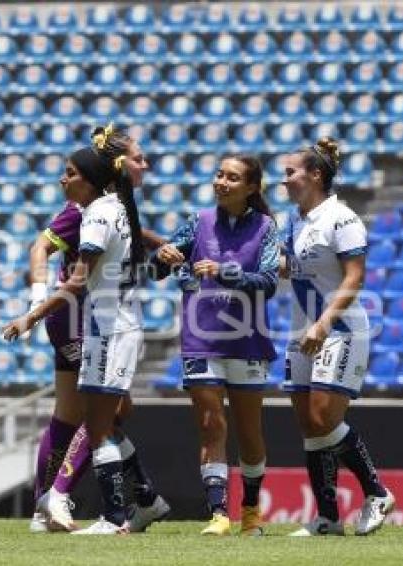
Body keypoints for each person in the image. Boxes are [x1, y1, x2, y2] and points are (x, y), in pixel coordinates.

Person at [3, 143, 155, 535]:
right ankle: (77, 501)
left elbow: (80, 277)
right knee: (96, 416)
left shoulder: (102, 212)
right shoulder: (97, 210)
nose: (61, 179)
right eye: (138, 158)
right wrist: (37, 304)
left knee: (95, 416)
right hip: (89, 323)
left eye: (69, 173)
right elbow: (43, 249)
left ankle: (64, 498)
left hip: (102, 324)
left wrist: (31, 315)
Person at [153, 154, 278, 536]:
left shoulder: (267, 227)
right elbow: (162, 265)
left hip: (247, 339)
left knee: (249, 431)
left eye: (232, 177)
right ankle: (219, 513)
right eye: (219, 174)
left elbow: (269, 282)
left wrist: (225, 273)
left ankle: (251, 509)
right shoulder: (199, 220)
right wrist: (164, 256)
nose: (221, 181)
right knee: (211, 424)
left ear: (252, 188)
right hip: (201, 336)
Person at [280, 137, 394, 536]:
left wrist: (324, 322)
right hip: (301, 331)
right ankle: (327, 518)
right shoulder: (293, 220)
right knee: (308, 426)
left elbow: (355, 277)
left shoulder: (341, 218)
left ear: (315, 174)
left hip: (337, 329)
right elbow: (287, 267)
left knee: (323, 418)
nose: (285, 180)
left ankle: (376, 492)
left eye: (291, 172)